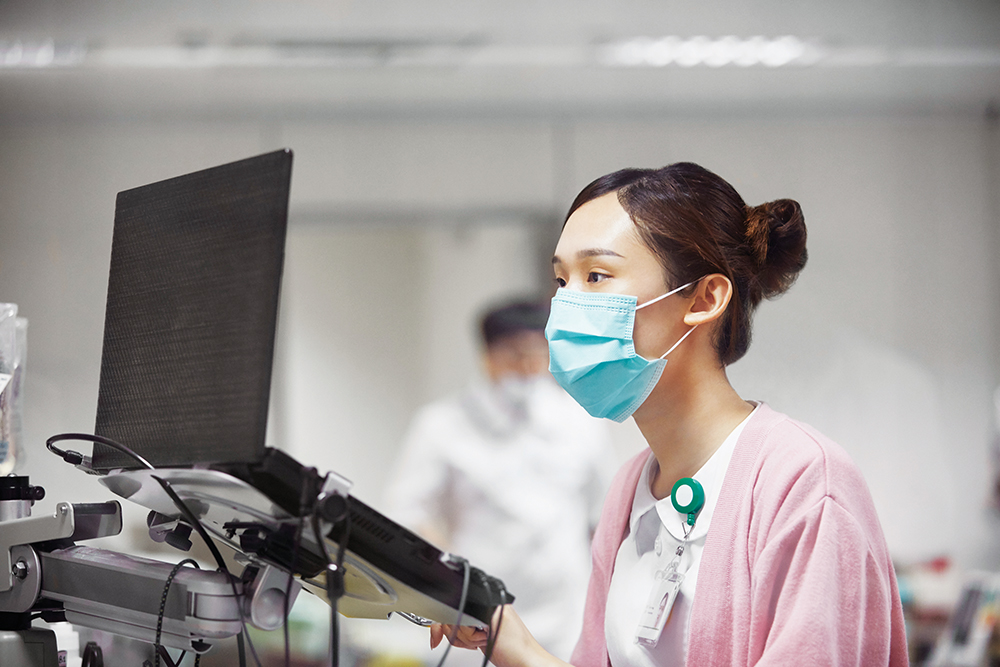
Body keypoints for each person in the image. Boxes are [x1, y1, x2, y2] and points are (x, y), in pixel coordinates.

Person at [430, 163, 909, 666]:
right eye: (561, 280)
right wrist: (515, 644)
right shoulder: (629, 491)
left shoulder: (804, 483)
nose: (566, 307)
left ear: (705, 298)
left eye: (596, 276)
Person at [384, 299, 617, 661]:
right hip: (479, 615)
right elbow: (408, 513)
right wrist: (447, 582)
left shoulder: (582, 421)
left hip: (567, 615)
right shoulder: (442, 425)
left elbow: (604, 519)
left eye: (537, 356)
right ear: (488, 356)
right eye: (515, 355)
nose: (527, 368)